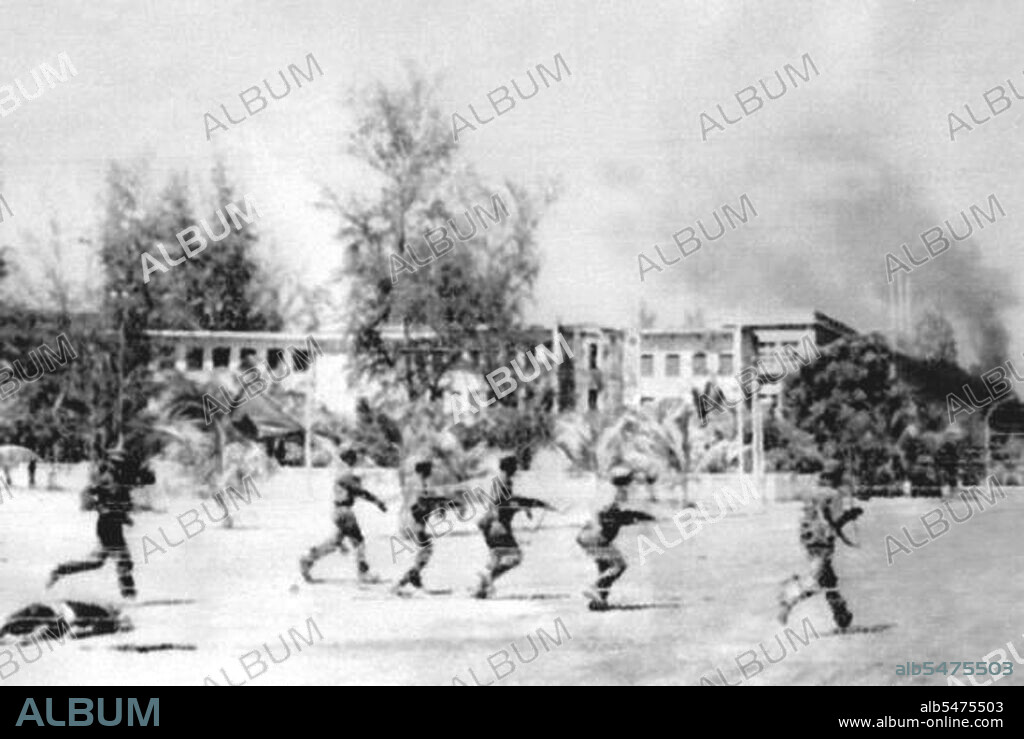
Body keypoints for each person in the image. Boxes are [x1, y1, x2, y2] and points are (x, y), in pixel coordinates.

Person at [46, 448, 138, 599]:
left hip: (114, 524)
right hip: (107, 525)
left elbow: (121, 503)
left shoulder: (120, 479)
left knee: (96, 561)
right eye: (119, 462)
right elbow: (87, 494)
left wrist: (125, 517)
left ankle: (60, 570)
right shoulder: (106, 477)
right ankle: (128, 594)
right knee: (122, 559)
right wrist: (99, 507)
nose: (121, 465)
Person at [777, 479, 863, 628]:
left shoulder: (812, 490)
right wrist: (851, 514)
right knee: (815, 579)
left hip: (809, 538)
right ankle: (788, 599)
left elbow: (820, 515)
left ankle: (841, 615)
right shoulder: (834, 494)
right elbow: (836, 521)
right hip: (822, 539)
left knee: (829, 580)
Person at [300, 449, 388, 584]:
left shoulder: (341, 472)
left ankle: (308, 558)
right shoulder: (347, 474)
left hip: (338, 511)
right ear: (350, 459)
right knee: (359, 542)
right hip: (345, 512)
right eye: (355, 458)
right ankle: (363, 574)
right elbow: (361, 492)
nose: (357, 461)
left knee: (334, 542)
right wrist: (378, 502)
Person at [473, 455, 555, 599]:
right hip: (498, 526)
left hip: (489, 524)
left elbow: (507, 502)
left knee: (496, 557)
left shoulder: (499, 481)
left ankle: (482, 589)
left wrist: (524, 507)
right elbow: (503, 503)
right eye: (515, 466)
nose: (517, 469)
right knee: (515, 557)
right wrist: (532, 504)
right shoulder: (503, 482)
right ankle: (486, 578)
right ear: (511, 468)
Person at [576, 467, 656, 611]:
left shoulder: (605, 490)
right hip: (597, 536)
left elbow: (613, 515)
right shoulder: (617, 493)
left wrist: (635, 517)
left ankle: (599, 602)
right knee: (618, 565)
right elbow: (612, 516)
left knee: (605, 567)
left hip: (588, 535)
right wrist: (637, 517)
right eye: (631, 480)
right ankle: (594, 588)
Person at [392, 460, 453, 597]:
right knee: (426, 549)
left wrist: (439, 504)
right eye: (430, 469)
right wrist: (441, 503)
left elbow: (425, 499)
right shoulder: (418, 482)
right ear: (425, 470)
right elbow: (420, 502)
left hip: (407, 518)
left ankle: (415, 579)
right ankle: (405, 580)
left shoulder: (414, 481)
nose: (432, 472)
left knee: (424, 550)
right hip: (412, 520)